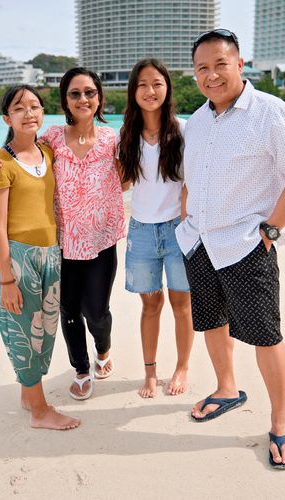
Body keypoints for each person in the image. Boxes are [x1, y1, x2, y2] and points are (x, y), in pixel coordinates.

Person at [176, 29, 285, 468]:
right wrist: (188, 220)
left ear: (240, 64)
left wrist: (272, 231)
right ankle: (227, 388)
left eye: (220, 65)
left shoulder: (271, 114)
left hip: (246, 243)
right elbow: (190, 178)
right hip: (201, 240)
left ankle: (281, 420)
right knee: (212, 321)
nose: (211, 75)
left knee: (266, 334)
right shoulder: (199, 119)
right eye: (202, 68)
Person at [0, 68, 125, 401]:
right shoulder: (52, 139)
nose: (83, 99)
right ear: (65, 100)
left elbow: (129, 175)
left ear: (100, 97)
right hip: (61, 245)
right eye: (74, 93)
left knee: (97, 311)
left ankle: (103, 350)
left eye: (89, 92)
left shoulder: (111, 139)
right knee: (69, 311)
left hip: (101, 241)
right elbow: (19, 155)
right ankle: (81, 369)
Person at [0, 85, 80, 430]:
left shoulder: (48, 153)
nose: (29, 113)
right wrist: (8, 278)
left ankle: (28, 394)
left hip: (50, 256)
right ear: (7, 117)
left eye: (36, 106)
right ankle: (40, 411)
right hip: (18, 260)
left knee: (46, 330)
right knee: (24, 333)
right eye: (20, 108)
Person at [117, 59, 194, 398]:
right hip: (142, 232)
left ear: (167, 88)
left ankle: (182, 367)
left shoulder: (185, 130)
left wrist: (187, 220)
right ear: (133, 92)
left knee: (182, 304)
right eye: (143, 84)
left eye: (157, 83)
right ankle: (150, 374)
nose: (150, 91)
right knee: (150, 304)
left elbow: (192, 182)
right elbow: (122, 184)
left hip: (179, 229)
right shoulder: (126, 136)